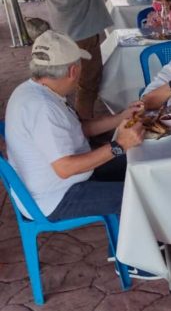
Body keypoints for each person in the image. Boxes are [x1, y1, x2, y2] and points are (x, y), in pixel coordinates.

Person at [5, 30, 144, 222]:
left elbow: (79, 129)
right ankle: (140, 251)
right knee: (139, 197)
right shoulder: (43, 107)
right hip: (55, 197)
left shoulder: (34, 90)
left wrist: (120, 118)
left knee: (140, 162)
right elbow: (65, 168)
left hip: (61, 181)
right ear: (73, 71)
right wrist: (119, 145)